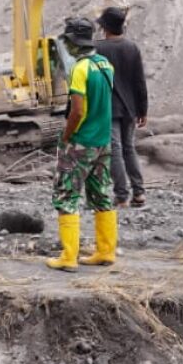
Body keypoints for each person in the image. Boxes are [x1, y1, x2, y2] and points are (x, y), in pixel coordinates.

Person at [47, 17, 118, 272]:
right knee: (101, 195)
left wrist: (66, 136)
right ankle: (106, 251)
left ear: (74, 42)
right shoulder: (105, 65)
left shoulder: (80, 68)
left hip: (81, 143)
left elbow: (77, 110)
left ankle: (68, 257)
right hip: (103, 142)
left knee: (66, 196)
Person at [94, 5, 148, 208]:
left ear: (105, 27)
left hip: (108, 107)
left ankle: (121, 194)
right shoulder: (132, 47)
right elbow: (139, 82)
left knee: (114, 149)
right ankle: (139, 192)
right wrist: (143, 110)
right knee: (128, 148)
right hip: (130, 107)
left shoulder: (97, 49)